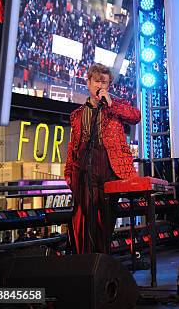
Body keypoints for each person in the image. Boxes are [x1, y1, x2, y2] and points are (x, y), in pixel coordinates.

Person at [64, 63, 141, 254]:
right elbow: (73, 146)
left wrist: (112, 105)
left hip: (109, 166)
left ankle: (103, 259)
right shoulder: (77, 115)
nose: (100, 85)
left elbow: (136, 116)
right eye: (97, 81)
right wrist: (68, 171)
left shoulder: (116, 106)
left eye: (104, 82)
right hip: (84, 166)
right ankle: (86, 260)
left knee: (106, 217)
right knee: (85, 216)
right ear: (88, 82)